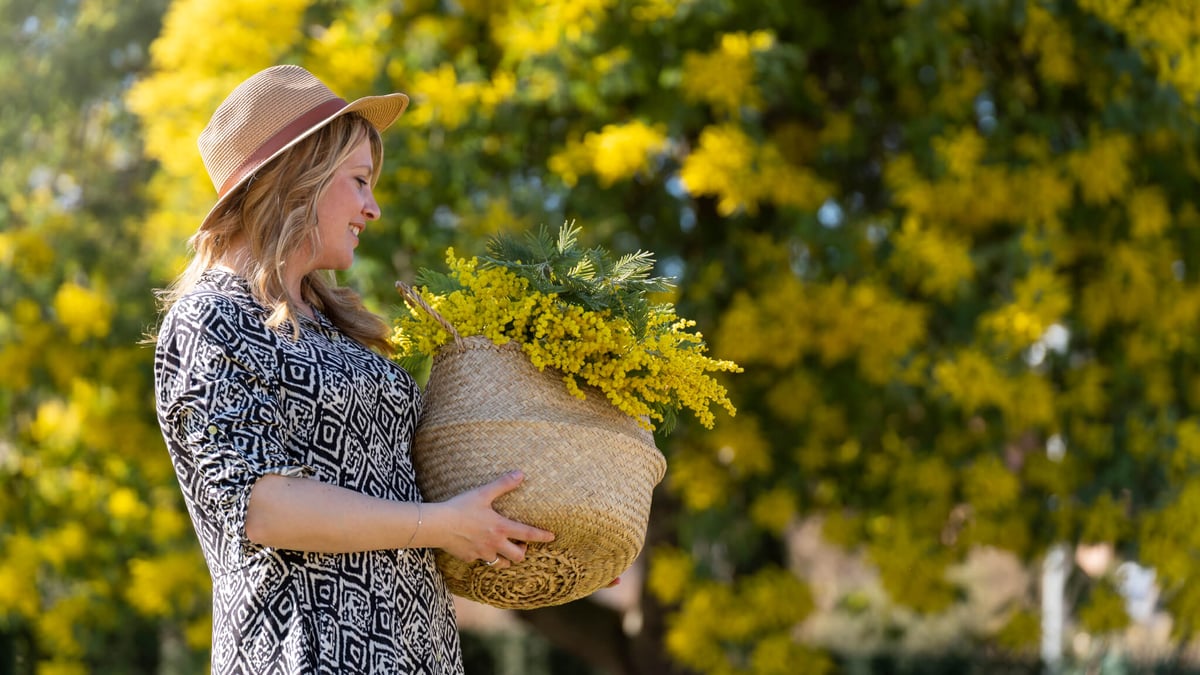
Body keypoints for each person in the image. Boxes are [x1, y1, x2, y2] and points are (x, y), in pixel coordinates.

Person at [152, 64, 554, 674]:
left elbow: (414, 483)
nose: (373, 208)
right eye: (360, 181)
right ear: (298, 181)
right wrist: (438, 526)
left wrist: (559, 530)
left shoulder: (335, 321)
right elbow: (260, 508)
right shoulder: (211, 318)